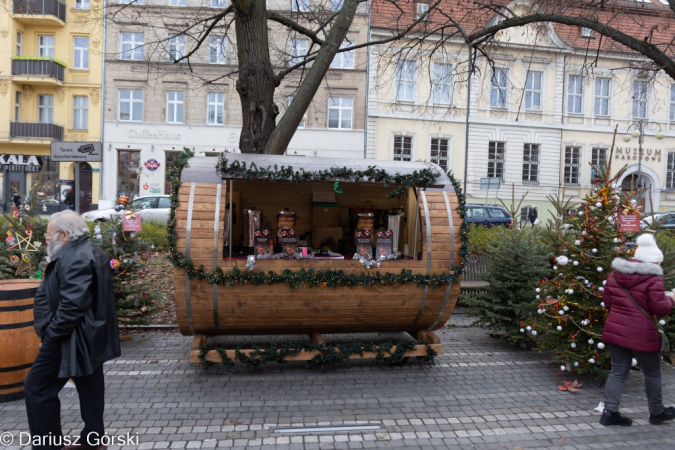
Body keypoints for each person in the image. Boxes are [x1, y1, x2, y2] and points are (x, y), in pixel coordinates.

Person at [24, 210, 121, 450]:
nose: (47, 239)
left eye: (49, 235)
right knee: (90, 385)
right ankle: (94, 439)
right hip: (87, 334)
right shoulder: (84, 251)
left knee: (36, 388)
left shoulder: (76, 256)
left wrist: (51, 337)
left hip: (72, 336)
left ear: (64, 234)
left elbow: (71, 306)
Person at [600, 233, 675, 427]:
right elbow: (661, 309)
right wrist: (672, 299)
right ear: (653, 262)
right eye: (659, 263)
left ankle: (609, 412)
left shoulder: (615, 275)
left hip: (616, 330)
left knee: (617, 372)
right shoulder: (653, 280)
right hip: (642, 334)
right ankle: (657, 412)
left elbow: (608, 302)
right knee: (652, 373)